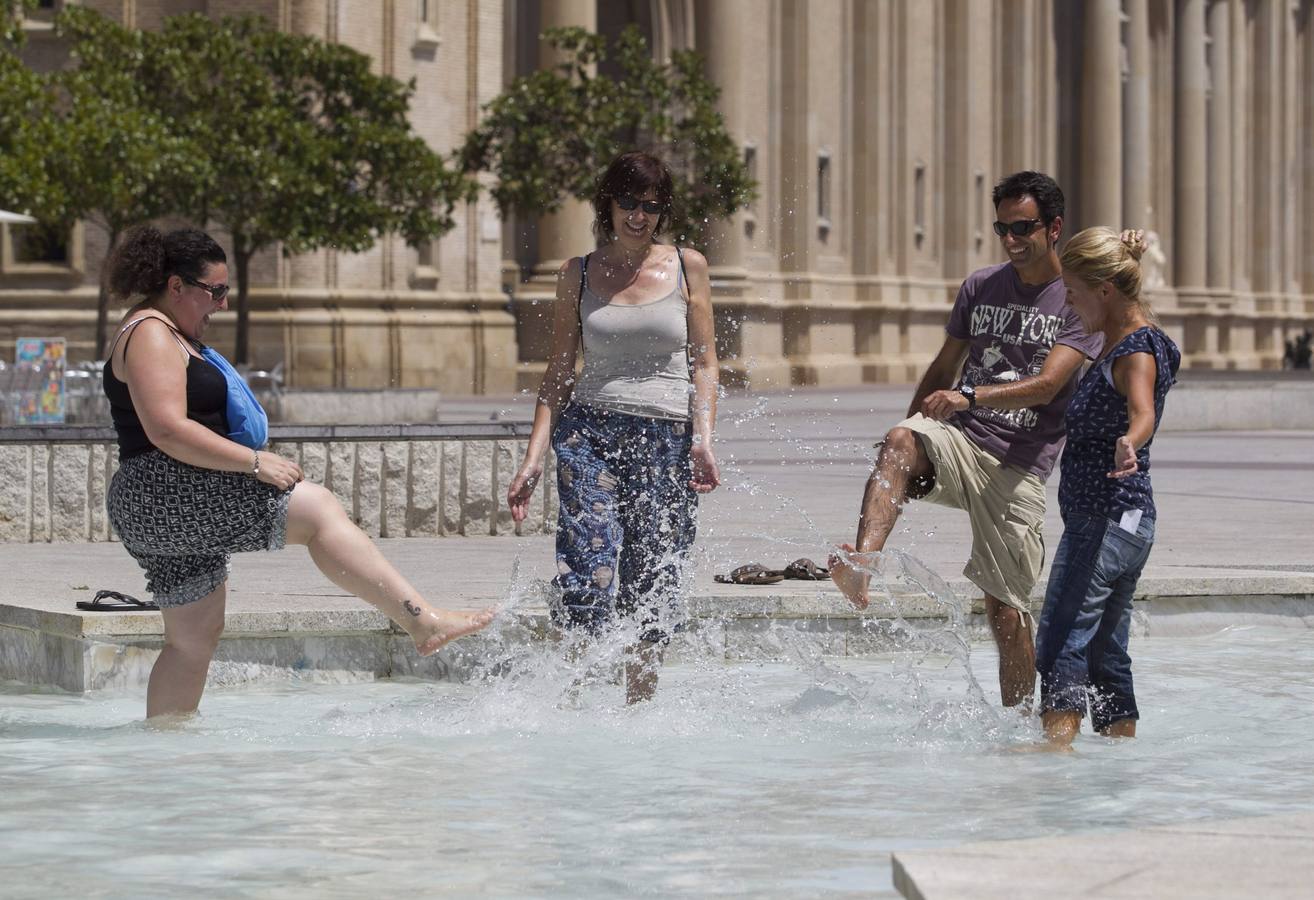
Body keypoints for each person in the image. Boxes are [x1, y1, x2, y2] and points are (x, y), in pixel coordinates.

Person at [101, 226, 494, 719]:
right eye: (215, 291)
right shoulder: (153, 333)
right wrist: (255, 462)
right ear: (176, 286)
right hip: (164, 492)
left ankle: (164, 750)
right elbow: (166, 430)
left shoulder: (160, 329)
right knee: (316, 509)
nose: (222, 304)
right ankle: (423, 621)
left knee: (192, 640)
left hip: (156, 500)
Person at [831, 171, 1102, 708]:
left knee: (1005, 612)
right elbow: (943, 366)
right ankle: (862, 566)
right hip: (962, 443)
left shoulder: (1076, 300)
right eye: (1002, 227)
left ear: (1054, 228)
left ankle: (1020, 724)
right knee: (901, 440)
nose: (1011, 239)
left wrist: (970, 396)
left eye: (1022, 227)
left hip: (1018, 466)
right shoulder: (980, 286)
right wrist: (905, 439)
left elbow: (1050, 386)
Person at [505, 151, 720, 704]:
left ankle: (638, 709)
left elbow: (705, 362)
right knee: (588, 568)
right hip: (590, 434)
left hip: (667, 438)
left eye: (650, 206)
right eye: (627, 202)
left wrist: (703, 439)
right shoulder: (576, 273)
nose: (637, 216)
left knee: (652, 578)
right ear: (608, 204)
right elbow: (558, 371)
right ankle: (572, 706)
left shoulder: (687, 266)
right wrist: (533, 456)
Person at [1034, 227, 1180, 748]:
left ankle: (1054, 754)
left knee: (1060, 638)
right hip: (1130, 524)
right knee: (1103, 650)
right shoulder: (1141, 339)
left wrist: (1130, 442)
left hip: (1105, 520)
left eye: (1072, 292)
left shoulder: (1134, 352)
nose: (1068, 304)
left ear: (1105, 291)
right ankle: (1120, 754)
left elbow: (1141, 412)